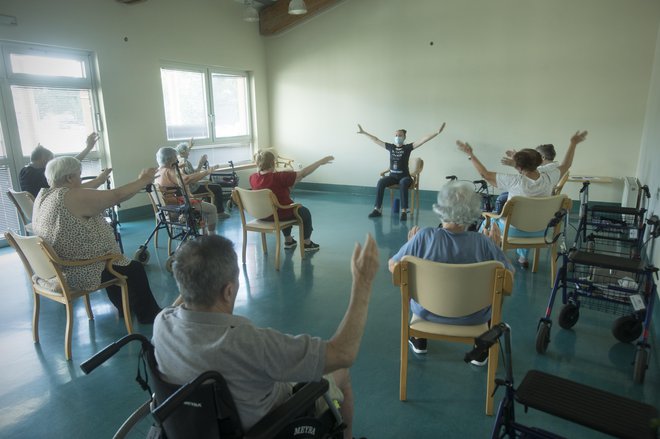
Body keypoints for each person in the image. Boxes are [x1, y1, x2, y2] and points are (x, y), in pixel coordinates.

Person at [153, 234, 379, 438]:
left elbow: (179, 305)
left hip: (196, 424)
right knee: (341, 372)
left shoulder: (162, 324)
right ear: (229, 291)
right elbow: (343, 353)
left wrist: (192, 286)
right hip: (271, 423)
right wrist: (363, 283)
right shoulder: (250, 343)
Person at [388, 181, 514, 363]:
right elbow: (508, 281)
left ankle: (419, 338)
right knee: (497, 291)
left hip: (427, 313)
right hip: (474, 318)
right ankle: (481, 347)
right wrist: (497, 248)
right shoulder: (483, 243)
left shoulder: (424, 237)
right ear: (473, 211)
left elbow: (394, 267)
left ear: (441, 207)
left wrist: (412, 246)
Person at [32, 156, 162, 324]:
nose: (80, 178)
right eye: (79, 175)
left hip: (58, 265)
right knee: (132, 268)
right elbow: (116, 195)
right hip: (78, 270)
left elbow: (99, 194)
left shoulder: (45, 195)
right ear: (70, 178)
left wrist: (104, 180)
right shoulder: (69, 197)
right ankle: (149, 315)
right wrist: (144, 180)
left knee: (114, 261)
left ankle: (125, 307)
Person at [457, 130, 588, 266]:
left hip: (513, 231)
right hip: (540, 231)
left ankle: (480, 258)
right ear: (539, 162)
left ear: (519, 167)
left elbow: (485, 174)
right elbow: (566, 165)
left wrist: (470, 154)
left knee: (488, 222)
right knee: (528, 218)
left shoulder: (514, 181)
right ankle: (523, 258)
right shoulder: (550, 178)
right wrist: (573, 143)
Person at [357, 123, 446, 221]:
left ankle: (404, 211)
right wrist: (364, 133)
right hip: (393, 177)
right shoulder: (391, 147)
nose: (397, 137)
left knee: (403, 183)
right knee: (381, 182)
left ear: (404, 137)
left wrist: (437, 132)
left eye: (400, 135)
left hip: (405, 177)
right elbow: (376, 140)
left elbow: (423, 140)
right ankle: (377, 209)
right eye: (396, 135)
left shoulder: (407, 148)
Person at [249, 150, 333, 252]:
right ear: (273, 163)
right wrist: (320, 162)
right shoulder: (279, 177)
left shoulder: (253, 178)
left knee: (283, 205)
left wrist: (288, 187)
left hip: (262, 215)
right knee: (303, 212)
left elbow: (274, 188)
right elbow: (303, 173)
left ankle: (289, 240)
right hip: (278, 215)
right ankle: (307, 243)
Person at [155, 146, 220, 235]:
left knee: (203, 208)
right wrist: (207, 172)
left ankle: (202, 234)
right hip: (178, 210)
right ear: (170, 159)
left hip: (165, 210)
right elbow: (187, 179)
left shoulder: (158, 171)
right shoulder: (169, 171)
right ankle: (212, 236)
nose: (177, 160)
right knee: (212, 208)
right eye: (175, 157)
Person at [20, 132, 100, 197]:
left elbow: (68, 164)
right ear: (44, 158)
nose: (54, 164)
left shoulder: (24, 171)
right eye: (52, 160)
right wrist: (88, 148)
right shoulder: (41, 175)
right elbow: (69, 165)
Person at [494, 143, 559, 213]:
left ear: (542, 157)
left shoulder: (543, 170)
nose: (532, 157)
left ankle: (500, 216)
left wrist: (517, 163)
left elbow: (528, 175)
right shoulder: (554, 168)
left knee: (501, 198)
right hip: (541, 199)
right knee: (503, 195)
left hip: (531, 197)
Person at [175, 140, 230, 220]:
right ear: (184, 151)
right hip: (192, 188)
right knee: (217, 187)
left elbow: (185, 153)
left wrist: (189, 146)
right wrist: (201, 163)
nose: (189, 152)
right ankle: (220, 212)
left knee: (210, 186)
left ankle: (209, 212)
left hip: (187, 187)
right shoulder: (185, 162)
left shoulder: (178, 159)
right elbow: (194, 176)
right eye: (188, 150)